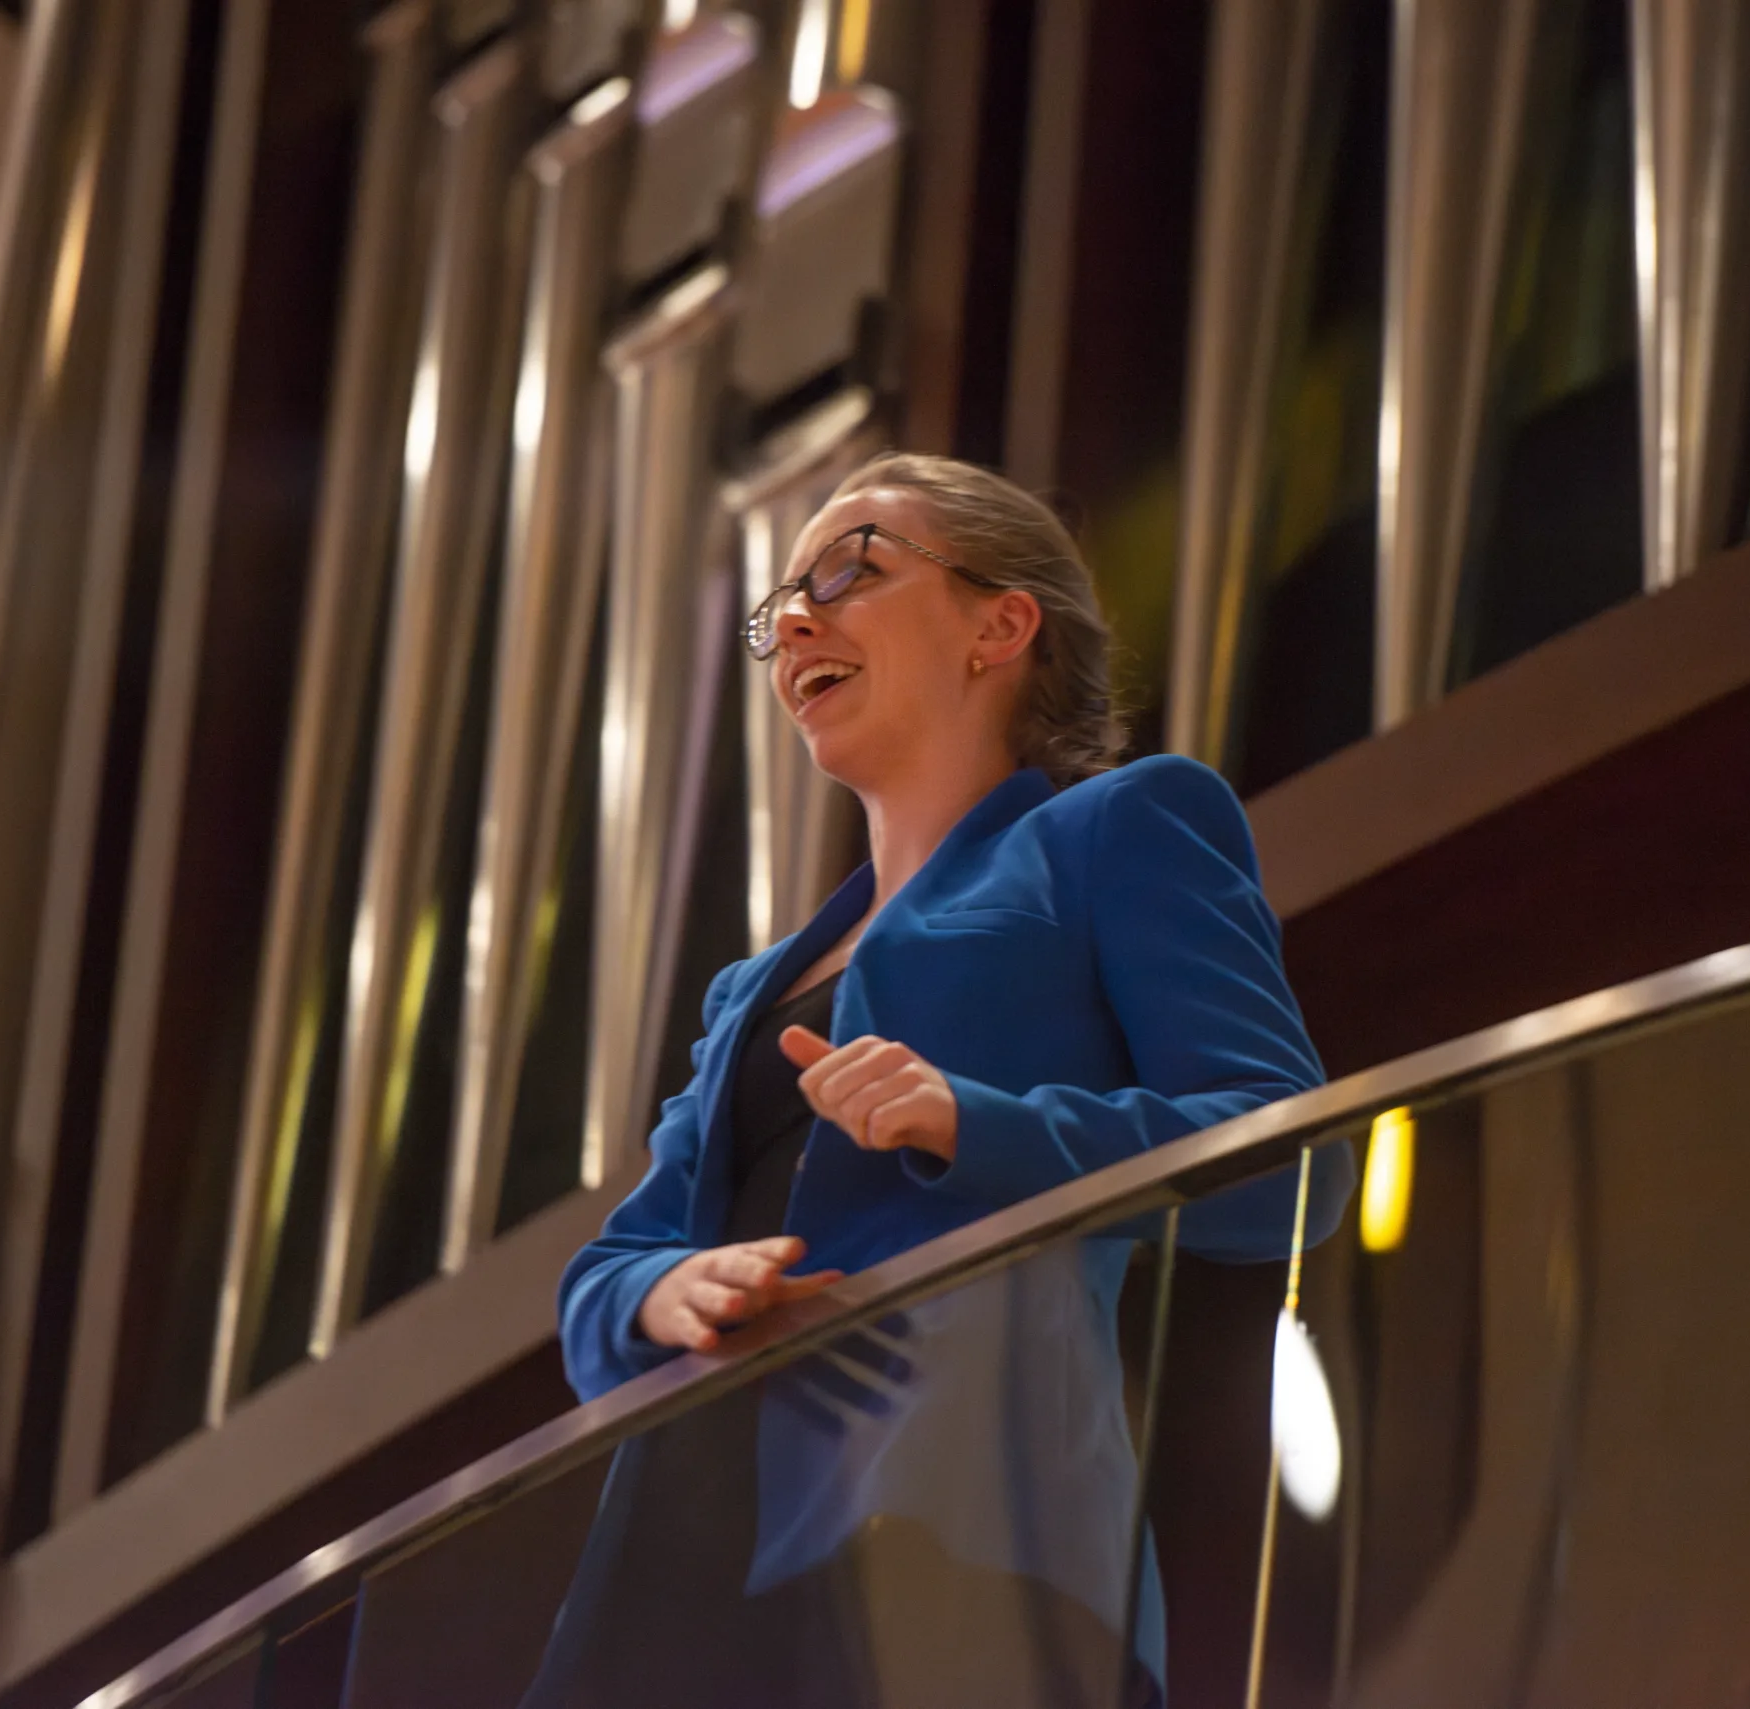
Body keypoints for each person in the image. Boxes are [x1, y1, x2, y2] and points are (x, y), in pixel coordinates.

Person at [523, 453, 1354, 1708]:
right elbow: (607, 1272)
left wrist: (978, 1121)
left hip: (965, 1528)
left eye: (850, 569)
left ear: (999, 623)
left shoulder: (1116, 830)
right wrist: (668, 1289)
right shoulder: (750, 988)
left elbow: (1292, 1165)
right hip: (681, 1565)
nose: (795, 617)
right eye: (781, 605)